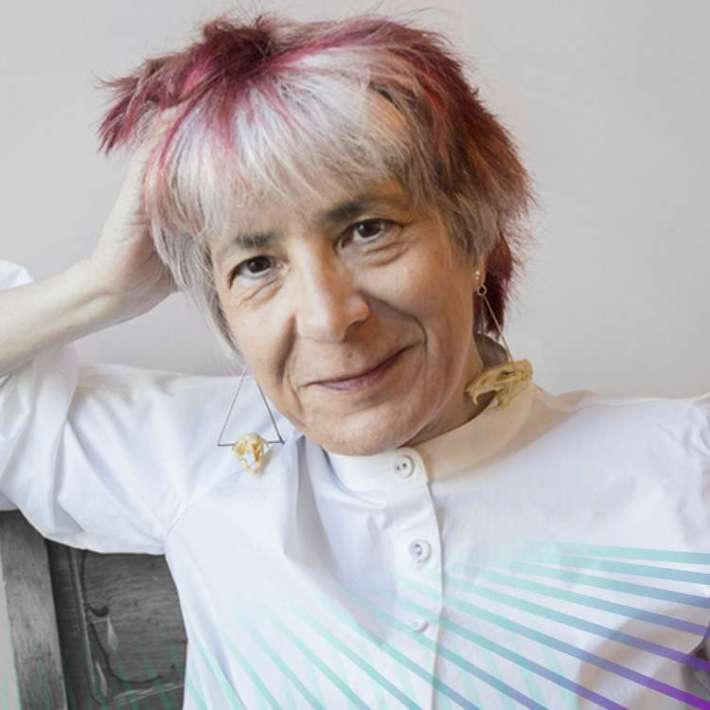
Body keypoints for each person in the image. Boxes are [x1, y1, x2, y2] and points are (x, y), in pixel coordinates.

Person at [1, 10, 709, 709]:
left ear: (473, 231)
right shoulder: (190, 458)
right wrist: (98, 287)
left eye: (368, 230)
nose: (328, 317)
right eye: (255, 265)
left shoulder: (683, 467)